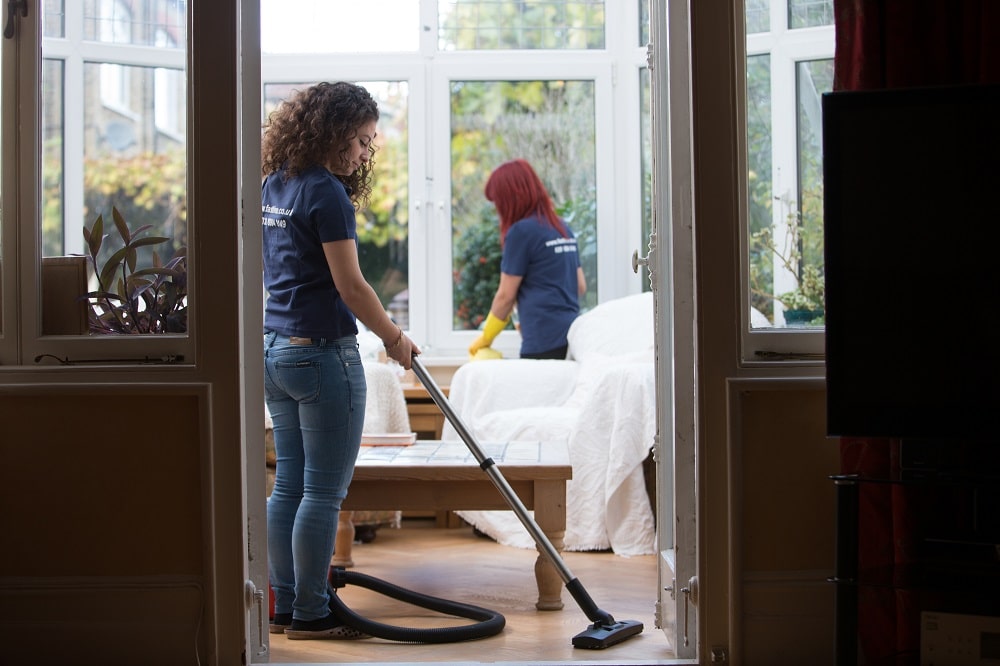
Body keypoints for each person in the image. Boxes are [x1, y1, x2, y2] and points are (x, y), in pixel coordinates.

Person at [260, 81, 419, 640]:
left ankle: (282, 607)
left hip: (275, 352)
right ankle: (311, 613)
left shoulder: (273, 184)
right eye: (359, 140)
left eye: (370, 143)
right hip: (323, 356)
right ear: (332, 134)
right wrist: (394, 337)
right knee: (323, 494)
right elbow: (350, 286)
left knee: (289, 487)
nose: (363, 154)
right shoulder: (326, 193)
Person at [468, 159, 586, 360]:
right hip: (572, 339)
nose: (498, 210)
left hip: (543, 342)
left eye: (498, 202)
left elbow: (505, 297)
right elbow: (580, 286)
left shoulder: (521, 232)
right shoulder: (561, 227)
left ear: (509, 198)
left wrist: (486, 338)